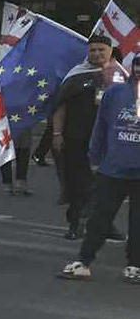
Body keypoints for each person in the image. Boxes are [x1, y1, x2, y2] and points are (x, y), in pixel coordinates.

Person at [59, 55, 140, 282]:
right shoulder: (114, 94)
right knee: (98, 218)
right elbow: (101, 127)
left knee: (138, 223)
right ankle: (84, 262)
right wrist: (94, 157)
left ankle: (135, 266)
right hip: (112, 169)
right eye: (138, 64)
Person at [51, 34, 116, 239]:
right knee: (78, 182)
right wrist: (57, 133)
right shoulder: (76, 75)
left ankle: (106, 225)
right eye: (92, 50)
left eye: (101, 50)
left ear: (110, 51)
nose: (97, 53)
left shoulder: (120, 76)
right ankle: (75, 224)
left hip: (109, 141)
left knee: (107, 184)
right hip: (76, 137)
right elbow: (60, 106)